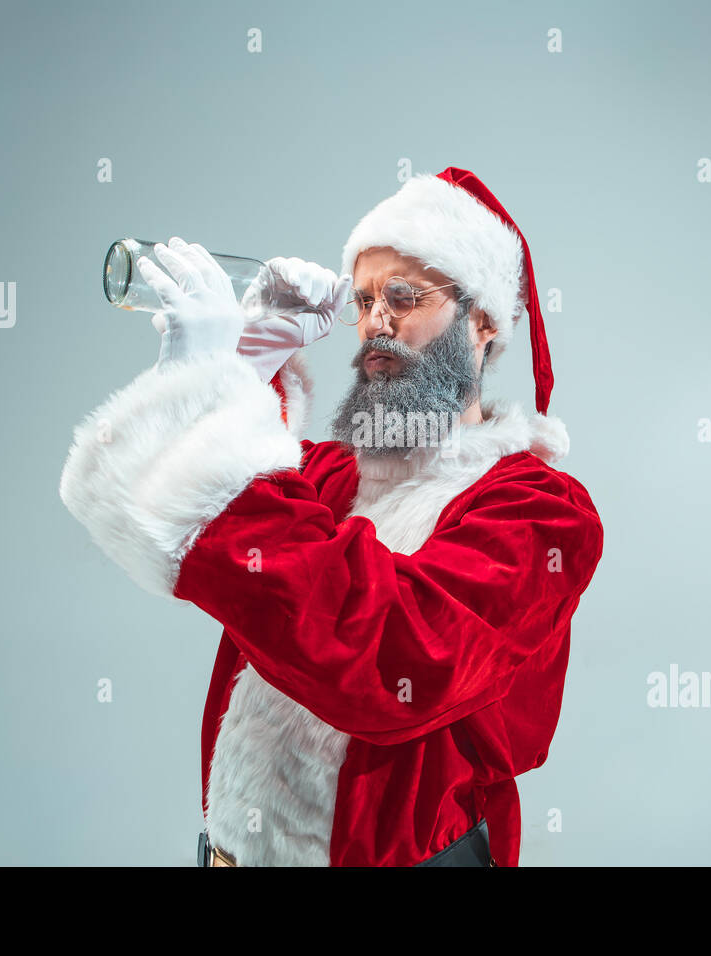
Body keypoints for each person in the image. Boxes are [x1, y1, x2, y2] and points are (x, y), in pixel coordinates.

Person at [59, 167, 604, 866]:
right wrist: (221, 383)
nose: (377, 319)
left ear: (484, 323)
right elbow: (182, 533)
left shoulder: (540, 515)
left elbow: (393, 658)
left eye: (404, 296)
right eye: (366, 297)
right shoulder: (331, 475)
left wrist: (225, 413)